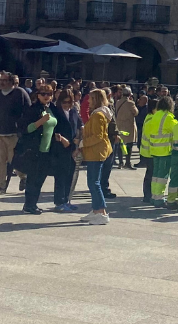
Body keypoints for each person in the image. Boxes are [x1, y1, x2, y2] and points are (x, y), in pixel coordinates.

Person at [0, 73, 31, 195]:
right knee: (0, 161)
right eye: (0, 80)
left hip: (13, 134)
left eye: (5, 80)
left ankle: (24, 177)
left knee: (15, 160)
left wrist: (22, 129)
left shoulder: (20, 93)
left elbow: (28, 112)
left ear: (12, 82)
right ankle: (1, 186)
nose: (1, 83)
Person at [19, 84, 57, 214]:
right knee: (33, 178)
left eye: (49, 94)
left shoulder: (51, 108)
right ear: (38, 95)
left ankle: (33, 203)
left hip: (47, 150)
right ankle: (28, 205)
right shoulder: (33, 109)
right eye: (43, 94)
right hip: (35, 150)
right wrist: (40, 121)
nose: (46, 96)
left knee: (40, 178)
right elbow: (26, 129)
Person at [79, 89, 113, 224]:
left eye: (91, 98)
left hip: (96, 151)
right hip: (97, 151)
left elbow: (98, 136)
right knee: (94, 182)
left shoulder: (98, 115)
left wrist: (82, 143)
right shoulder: (100, 113)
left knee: (94, 183)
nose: (89, 101)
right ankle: (96, 211)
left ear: (97, 99)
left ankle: (101, 212)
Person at [49, 89, 81, 212]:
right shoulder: (56, 112)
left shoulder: (73, 111)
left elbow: (79, 123)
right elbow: (53, 129)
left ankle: (67, 200)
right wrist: (61, 139)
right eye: (65, 102)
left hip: (72, 147)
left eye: (70, 102)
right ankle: (59, 202)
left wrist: (78, 138)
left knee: (70, 174)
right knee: (60, 176)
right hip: (59, 148)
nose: (67, 105)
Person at [145, 96, 176, 207]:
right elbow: (176, 129)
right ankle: (159, 199)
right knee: (163, 176)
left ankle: (154, 196)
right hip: (165, 151)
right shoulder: (168, 117)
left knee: (156, 175)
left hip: (154, 149)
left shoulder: (155, 116)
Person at [113, 86, 139, 170]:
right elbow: (136, 113)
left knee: (121, 145)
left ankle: (120, 162)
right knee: (129, 145)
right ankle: (127, 162)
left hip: (120, 125)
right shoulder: (130, 103)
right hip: (128, 126)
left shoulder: (118, 102)